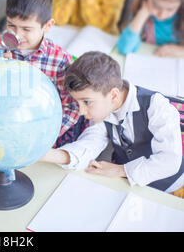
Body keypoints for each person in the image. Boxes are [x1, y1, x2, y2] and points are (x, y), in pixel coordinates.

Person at [40, 51, 183, 196]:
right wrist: (46, 154)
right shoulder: (104, 108)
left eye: (87, 102)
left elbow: (170, 161)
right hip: (128, 185)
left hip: (171, 187)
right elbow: (90, 143)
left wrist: (122, 170)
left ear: (113, 95)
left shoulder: (156, 106)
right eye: (78, 103)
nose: (81, 111)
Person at [0, 0, 85, 147]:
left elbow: (71, 107)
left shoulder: (59, 61)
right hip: (0, 125)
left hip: (40, 132)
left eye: (26, 29)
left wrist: (45, 136)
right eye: (11, 26)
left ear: (48, 25)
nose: (17, 35)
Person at [117, 0, 184, 58]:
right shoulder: (141, 9)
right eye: (156, 6)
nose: (162, 14)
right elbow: (124, 49)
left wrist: (181, 51)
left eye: (170, 9)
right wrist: (143, 12)